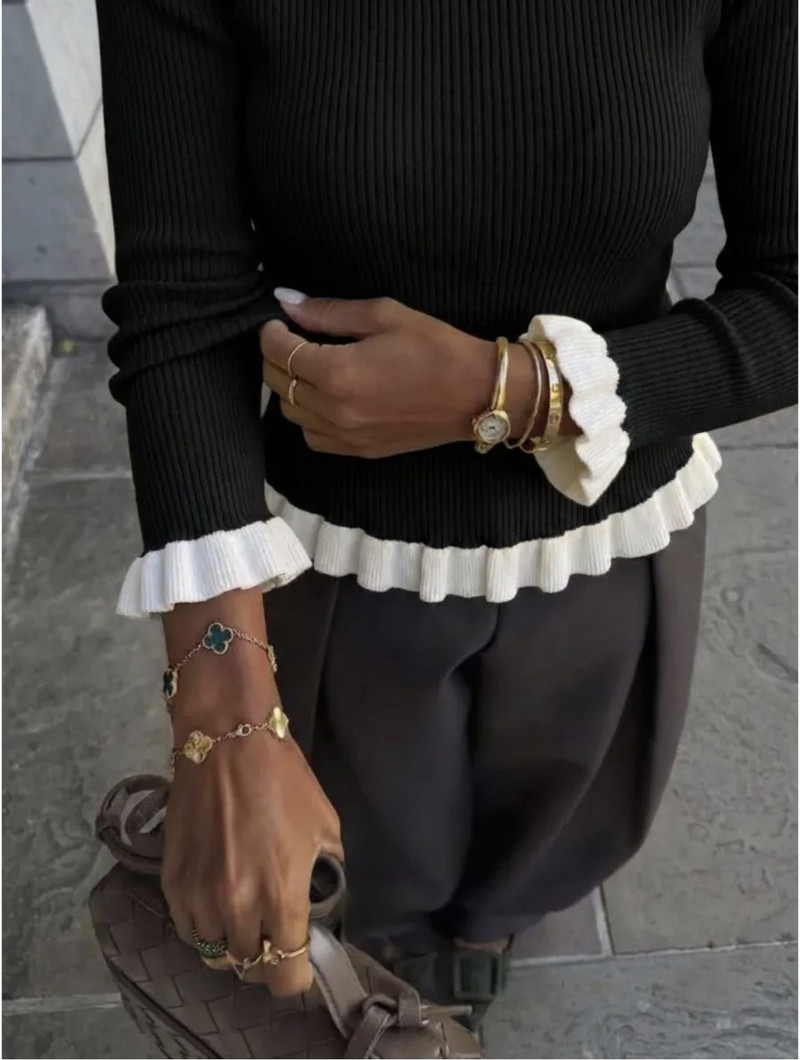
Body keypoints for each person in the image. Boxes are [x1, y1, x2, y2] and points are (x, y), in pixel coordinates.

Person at [95, 0, 797, 1029]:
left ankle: (488, 931)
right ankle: (399, 948)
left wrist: (515, 390)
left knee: (560, 813)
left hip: (613, 529)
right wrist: (223, 717)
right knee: (369, 851)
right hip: (334, 550)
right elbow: (181, 296)